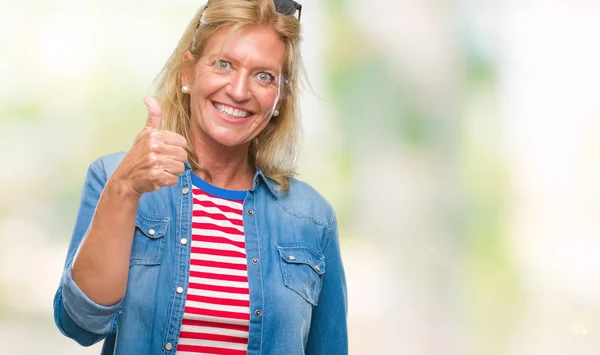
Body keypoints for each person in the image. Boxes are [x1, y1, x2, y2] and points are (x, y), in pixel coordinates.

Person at [52, 0, 348, 354]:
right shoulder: (115, 179)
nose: (239, 91)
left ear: (280, 98)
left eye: (264, 76)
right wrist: (125, 189)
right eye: (224, 64)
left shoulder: (312, 218)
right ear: (187, 73)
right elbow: (80, 324)